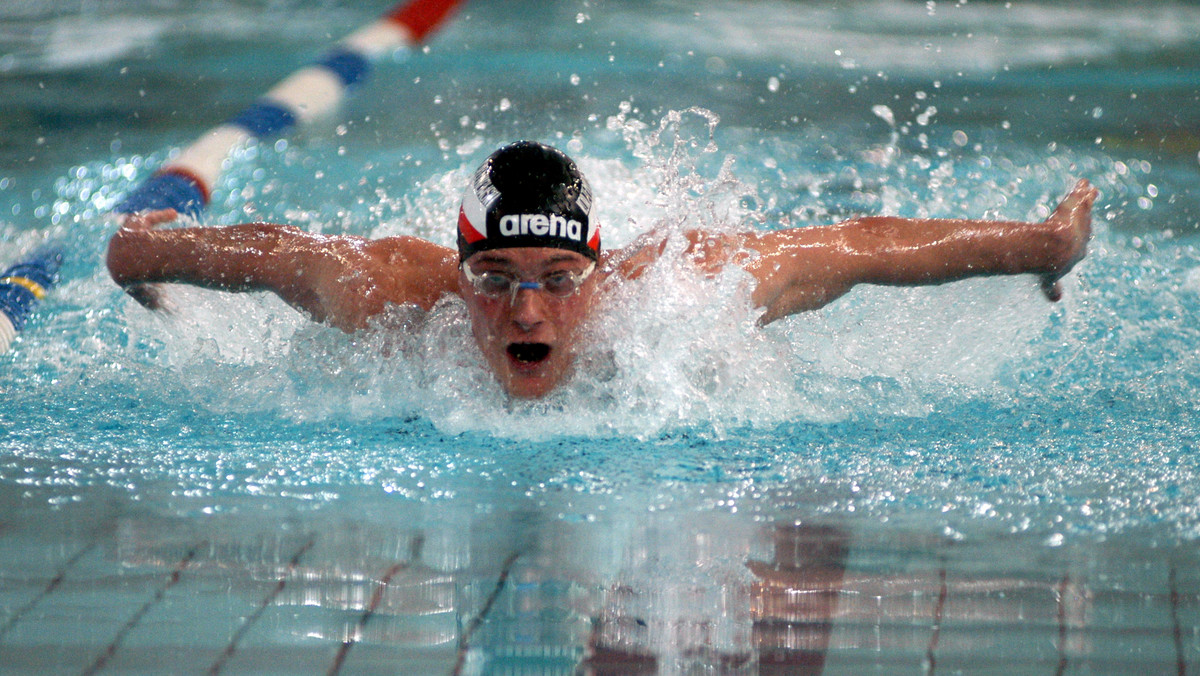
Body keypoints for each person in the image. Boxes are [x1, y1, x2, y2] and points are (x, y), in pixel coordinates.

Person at [106, 140, 1097, 399]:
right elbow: (271, 253)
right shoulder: (392, 295)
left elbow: (860, 247)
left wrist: (1043, 245)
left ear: (596, 271)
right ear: (460, 274)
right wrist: (142, 252)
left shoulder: (673, 297)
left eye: (555, 277)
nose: (526, 306)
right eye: (494, 277)